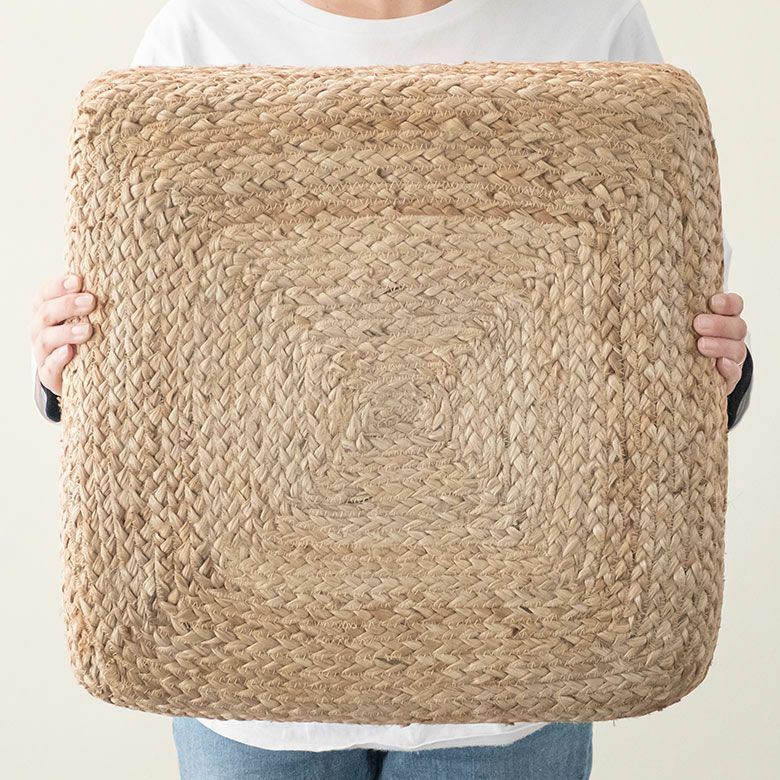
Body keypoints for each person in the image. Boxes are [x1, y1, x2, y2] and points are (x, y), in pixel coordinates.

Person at [29, 1, 754, 778]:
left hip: (512, 683)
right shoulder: (202, 30)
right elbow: (140, 318)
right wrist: (68, 368)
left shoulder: (588, 22)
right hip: (246, 691)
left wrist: (714, 370)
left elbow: (660, 298)